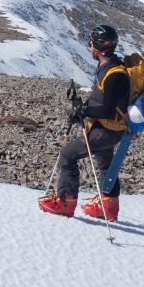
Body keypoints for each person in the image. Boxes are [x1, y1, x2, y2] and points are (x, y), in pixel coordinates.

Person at [38, 24, 129, 220]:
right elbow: (101, 98)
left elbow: (106, 109)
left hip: (105, 130)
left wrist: (84, 110)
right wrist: (83, 109)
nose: (89, 47)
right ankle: (108, 207)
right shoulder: (108, 66)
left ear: (96, 46)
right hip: (110, 129)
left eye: (90, 43)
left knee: (68, 154)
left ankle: (65, 203)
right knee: (106, 164)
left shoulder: (115, 75)